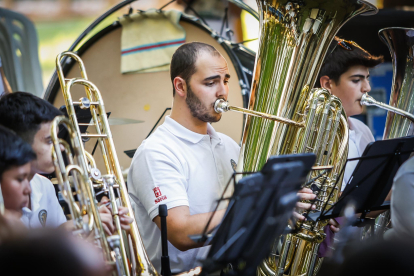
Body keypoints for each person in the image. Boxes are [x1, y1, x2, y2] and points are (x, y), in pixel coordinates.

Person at [128, 42, 317, 274]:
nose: (223, 92)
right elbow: (180, 232)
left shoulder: (227, 145)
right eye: (210, 83)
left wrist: (284, 204)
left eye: (225, 81)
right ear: (180, 86)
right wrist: (264, 205)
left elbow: (244, 221)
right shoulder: (156, 152)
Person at [0, 92, 132, 233]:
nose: (61, 146)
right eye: (50, 141)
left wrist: (94, 225)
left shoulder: (45, 185)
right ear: (18, 142)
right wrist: (81, 224)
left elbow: (57, 244)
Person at [315, 37, 383, 256]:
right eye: (356, 80)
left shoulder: (363, 130)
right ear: (327, 84)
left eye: (367, 79)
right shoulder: (309, 134)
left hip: (358, 248)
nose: (367, 88)